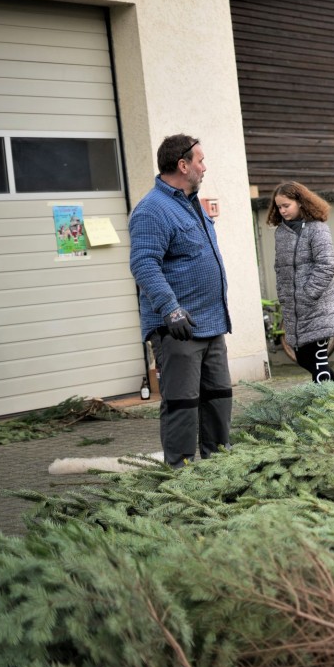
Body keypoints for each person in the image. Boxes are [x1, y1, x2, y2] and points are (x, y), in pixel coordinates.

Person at [128, 133, 232, 468]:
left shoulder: (189, 204)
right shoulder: (152, 210)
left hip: (211, 324)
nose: (205, 167)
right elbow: (144, 263)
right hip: (179, 329)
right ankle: (180, 478)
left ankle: (221, 468)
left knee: (218, 400)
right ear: (182, 164)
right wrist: (170, 309)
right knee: (182, 406)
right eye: (200, 160)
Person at [267, 181, 334, 383]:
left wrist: (307, 294)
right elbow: (280, 269)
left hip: (318, 306)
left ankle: (326, 408)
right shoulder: (281, 232)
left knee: (319, 363)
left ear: (300, 203)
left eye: (286, 206)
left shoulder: (317, 229)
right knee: (303, 358)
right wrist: (286, 297)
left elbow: (327, 264)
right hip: (294, 310)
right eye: (279, 207)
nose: (282, 211)